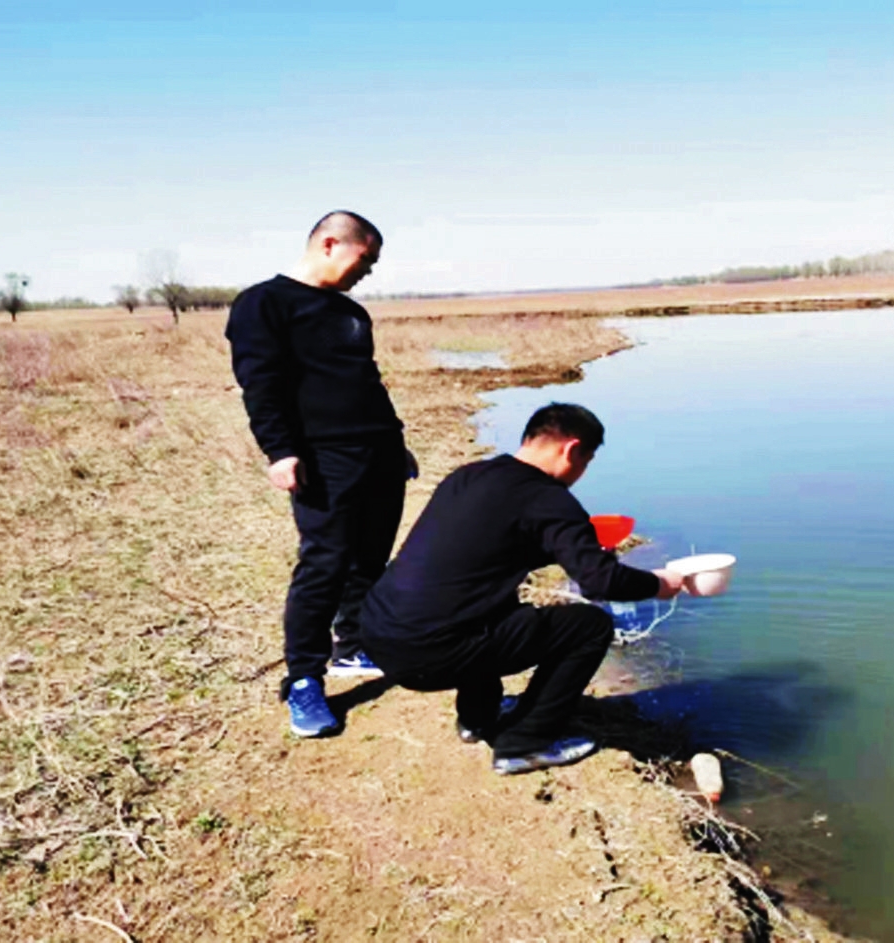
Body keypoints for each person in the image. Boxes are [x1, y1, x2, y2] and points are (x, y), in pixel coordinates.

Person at [360, 403, 684, 775]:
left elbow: (491, 550)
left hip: (378, 633)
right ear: (571, 450)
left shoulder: (469, 476)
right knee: (590, 627)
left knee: (488, 605)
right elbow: (600, 582)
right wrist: (659, 583)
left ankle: (477, 719)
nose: (581, 473)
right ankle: (523, 744)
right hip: (430, 654)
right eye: (587, 461)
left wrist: (576, 549)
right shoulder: (549, 499)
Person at [226, 210, 415, 738]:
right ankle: (305, 679)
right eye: (365, 258)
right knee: (325, 563)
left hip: (378, 451)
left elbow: (365, 381)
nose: (369, 271)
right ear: (330, 244)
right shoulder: (264, 303)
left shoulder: (352, 313)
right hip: (324, 458)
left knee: (370, 558)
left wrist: (396, 442)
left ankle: (353, 647)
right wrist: (280, 451)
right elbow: (260, 383)